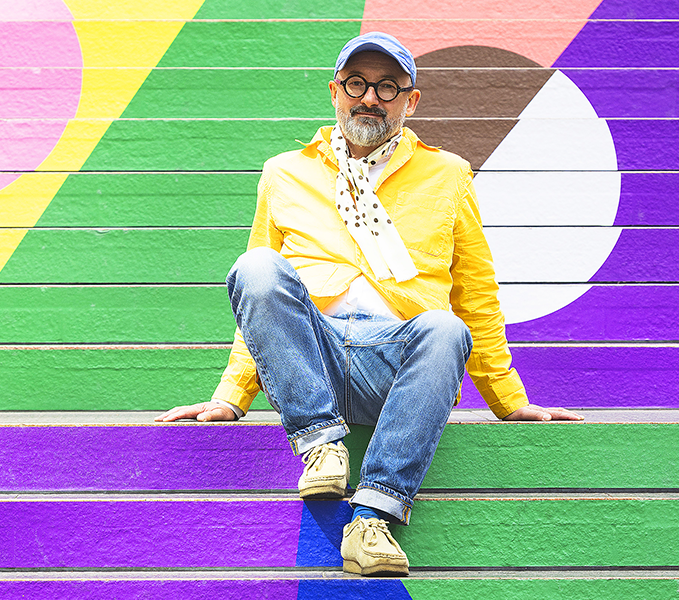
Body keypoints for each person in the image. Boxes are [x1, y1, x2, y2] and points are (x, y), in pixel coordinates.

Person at [156, 31, 583, 577]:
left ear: (411, 100)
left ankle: (373, 518)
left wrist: (506, 398)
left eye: (388, 87)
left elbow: (474, 289)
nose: (370, 98)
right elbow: (260, 304)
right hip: (315, 364)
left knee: (447, 327)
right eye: (357, 83)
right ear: (335, 91)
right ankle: (322, 446)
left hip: (397, 363)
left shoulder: (448, 174)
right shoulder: (286, 171)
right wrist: (232, 395)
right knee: (256, 267)